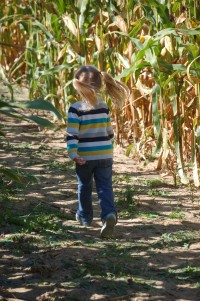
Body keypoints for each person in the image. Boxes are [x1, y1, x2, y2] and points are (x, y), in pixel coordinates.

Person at [66, 65, 130, 238]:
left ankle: (85, 217)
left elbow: (72, 134)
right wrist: (108, 147)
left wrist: (73, 154)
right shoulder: (103, 107)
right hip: (105, 155)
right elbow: (109, 132)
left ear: (78, 86)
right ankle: (109, 214)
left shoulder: (75, 109)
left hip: (84, 157)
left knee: (84, 186)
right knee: (105, 187)